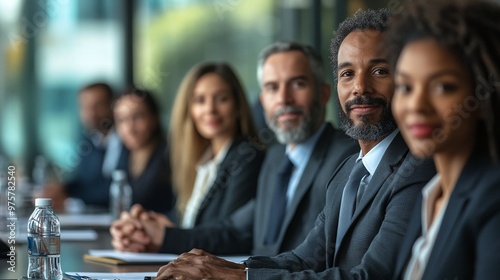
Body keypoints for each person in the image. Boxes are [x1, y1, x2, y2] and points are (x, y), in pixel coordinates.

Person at [154, 8, 436, 280]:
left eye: (379, 71)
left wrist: (238, 278)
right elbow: (304, 259)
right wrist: (222, 268)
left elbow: (372, 276)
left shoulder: (416, 168)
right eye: (347, 74)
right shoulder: (347, 170)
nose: (360, 87)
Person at [110, 42, 358, 256]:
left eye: (298, 84)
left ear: (325, 93)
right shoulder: (277, 158)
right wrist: (155, 233)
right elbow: (234, 229)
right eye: (272, 87)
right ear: (262, 101)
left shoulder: (346, 158)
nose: (284, 98)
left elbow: (312, 258)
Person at [384, 0, 500, 279]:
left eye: (443, 87)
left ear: (482, 98)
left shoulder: (493, 197)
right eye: (405, 87)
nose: (416, 105)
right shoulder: (432, 194)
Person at [112, 62, 264, 239]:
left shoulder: (247, 157)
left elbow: (228, 235)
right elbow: (189, 221)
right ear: (189, 109)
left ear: (238, 105)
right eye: (199, 100)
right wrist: (147, 223)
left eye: (221, 99)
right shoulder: (203, 158)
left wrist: (165, 236)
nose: (210, 109)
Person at [37, 82, 123, 209]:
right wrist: (60, 189)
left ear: (112, 106)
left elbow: (116, 191)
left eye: (97, 105)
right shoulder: (90, 140)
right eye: (84, 107)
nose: (91, 113)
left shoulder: (128, 140)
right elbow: (85, 182)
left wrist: (68, 196)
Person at [113, 88, 175, 213]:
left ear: (154, 118)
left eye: (138, 117)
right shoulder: (124, 153)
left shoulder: (169, 156)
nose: (129, 128)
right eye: (122, 120)